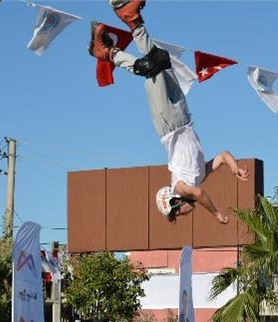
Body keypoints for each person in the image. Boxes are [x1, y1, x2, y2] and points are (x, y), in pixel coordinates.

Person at [88, 0, 250, 224]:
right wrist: (235, 168)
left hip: (168, 124)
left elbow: (199, 195)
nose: (182, 215)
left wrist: (216, 214)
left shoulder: (180, 186)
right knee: (160, 60)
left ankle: (115, 43)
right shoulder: (197, 176)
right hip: (183, 116)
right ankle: (124, 29)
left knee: (150, 68)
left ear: (174, 201)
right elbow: (222, 156)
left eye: (176, 213)